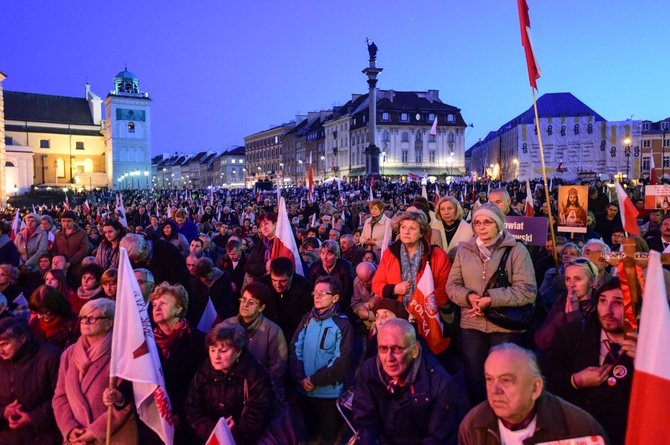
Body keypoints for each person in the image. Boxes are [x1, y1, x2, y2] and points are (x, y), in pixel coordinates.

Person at [446, 203, 536, 404]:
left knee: (504, 378)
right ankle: (480, 419)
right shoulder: (464, 250)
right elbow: (451, 286)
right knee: (475, 379)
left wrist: (491, 299)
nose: (481, 227)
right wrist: (469, 297)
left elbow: (527, 291)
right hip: (471, 324)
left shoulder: (516, 250)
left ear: (498, 224)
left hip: (504, 325)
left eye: (487, 222)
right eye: (477, 222)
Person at [459, 343, 609, 444]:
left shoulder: (580, 428)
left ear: (535, 388)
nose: (494, 390)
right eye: (489, 379)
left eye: (506, 380)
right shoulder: (472, 425)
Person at [542, 279, 633, 444]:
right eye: (603, 301)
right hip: (580, 432)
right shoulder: (574, 334)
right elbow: (545, 377)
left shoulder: (653, 346)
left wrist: (647, 363)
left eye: (618, 303)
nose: (608, 310)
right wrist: (575, 380)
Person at [353, 318, 468, 445]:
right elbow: (365, 419)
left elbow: (438, 437)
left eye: (397, 349)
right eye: (383, 349)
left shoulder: (440, 382)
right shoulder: (369, 370)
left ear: (415, 350)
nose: (389, 358)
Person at [53, 299, 138, 444]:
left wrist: (94, 432)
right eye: (83, 317)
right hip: (76, 438)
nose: (86, 321)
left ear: (110, 323)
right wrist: (70, 428)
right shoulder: (69, 354)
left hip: (112, 437)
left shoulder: (122, 353)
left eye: (93, 318)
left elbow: (125, 403)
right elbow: (60, 397)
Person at [371, 210, 452, 354]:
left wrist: (423, 304)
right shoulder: (390, 253)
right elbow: (376, 284)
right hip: (397, 318)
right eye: (403, 227)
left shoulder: (438, 255)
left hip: (426, 318)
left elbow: (447, 287)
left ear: (421, 233)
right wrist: (394, 289)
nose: (406, 231)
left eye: (412, 228)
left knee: (426, 359)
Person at [185, 323, 276, 444]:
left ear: (238, 351)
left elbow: (260, 411)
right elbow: (192, 407)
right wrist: (214, 430)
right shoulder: (204, 371)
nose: (216, 356)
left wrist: (234, 434)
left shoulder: (254, 372)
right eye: (212, 350)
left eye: (223, 351)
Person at [290, 276, 353, 444]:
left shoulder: (342, 324)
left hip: (328, 394)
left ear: (335, 298)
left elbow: (341, 361)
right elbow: (296, 348)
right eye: (315, 292)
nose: (317, 296)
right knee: (308, 432)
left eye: (322, 293)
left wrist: (314, 380)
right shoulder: (307, 319)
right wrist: (300, 377)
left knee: (328, 436)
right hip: (305, 390)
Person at [149, 282, 206, 444]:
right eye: (154, 304)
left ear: (179, 309)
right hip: (155, 421)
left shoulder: (197, 340)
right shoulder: (148, 343)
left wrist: (180, 413)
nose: (157, 308)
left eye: (164, 303)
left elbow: (202, 383)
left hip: (188, 422)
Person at [0, 317, 62, 444]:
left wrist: (33, 417)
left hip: (43, 436)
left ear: (22, 339)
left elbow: (63, 397)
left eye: (4, 344)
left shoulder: (50, 357)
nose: (0, 351)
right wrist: (3, 413)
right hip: (7, 437)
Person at [224, 281, 288, 397]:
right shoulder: (227, 325)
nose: (245, 305)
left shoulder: (272, 331)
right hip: (227, 390)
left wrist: (261, 389)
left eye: (251, 302)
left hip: (259, 392)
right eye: (243, 300)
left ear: (261, 307)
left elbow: (278, 366)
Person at [535, 258, 599, 351]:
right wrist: (562, 314)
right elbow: (541, 340)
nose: (571, 284)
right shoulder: (561, 301)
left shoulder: (599, 305)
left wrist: (574, 315)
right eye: (567, 279)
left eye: (578, 279)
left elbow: (584, 346)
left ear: (592, 282)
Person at [256, 257, 314, 342]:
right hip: (266, 334)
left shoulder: (306, 288)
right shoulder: (261, 285)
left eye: (282, 281)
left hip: (294, 336)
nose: (277, 285)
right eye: (274, 280)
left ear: (291, 276)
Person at [119, 233, 192, 293]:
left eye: (138, 257)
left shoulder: (168, 251)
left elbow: (180, 280)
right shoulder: (133, 255)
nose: (136, 262)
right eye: (133, 259)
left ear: (145, 247)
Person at [308, 239, 355, 315]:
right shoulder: (315, 267)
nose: (325, 258)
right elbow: (311, 289)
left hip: (340, 306)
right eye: (323, 253)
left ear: (336, 255)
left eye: (329, 254)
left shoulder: (345, 266)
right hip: (320, 305)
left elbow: (348, 292)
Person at [28, 285, 80, 350]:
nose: (39, 316)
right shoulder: (34, 323)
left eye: (43, 312)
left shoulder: (74, 324)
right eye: (37, 312)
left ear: (55, 306)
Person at [188, 257, 235, 328]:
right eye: (202, 278)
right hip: (203, 321)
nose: (204, 280)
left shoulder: (224, 278)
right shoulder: (197, 281)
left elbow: (227, 302)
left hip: (220, 319)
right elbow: (196, 301)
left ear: (212, 270)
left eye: (206, 277)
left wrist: (219, 317)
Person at [434, 196, 473, 262]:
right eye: (442, 209)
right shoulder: (433, 228)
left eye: (449, 208)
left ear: (456, 210)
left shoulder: (469, 230)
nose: (446, 212)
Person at [52, 210, 89, 278]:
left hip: (76, 267)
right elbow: (55, 250)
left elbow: (84, 250)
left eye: (69, 221)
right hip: (61, 268)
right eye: (63, 221)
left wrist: (70, 261)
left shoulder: (82, 233)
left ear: (74, 221)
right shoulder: (58, 234)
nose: (66, 223)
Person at [244, 212, 277, 281]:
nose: (264, 228)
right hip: (261, 284)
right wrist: (264, 266)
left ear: (275, 224)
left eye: (266, 224)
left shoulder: (284, 243)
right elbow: (248, 266)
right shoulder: (259, 244)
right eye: (261, 226)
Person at [351, 261, 377, 327]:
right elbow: (354, 305)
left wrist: (369, 315)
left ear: (375, 274)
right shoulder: (357, 281)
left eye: (368, 281)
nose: (365, 284)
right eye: (362, 281)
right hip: (366, 324)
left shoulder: (383, 280)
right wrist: (368, 305)